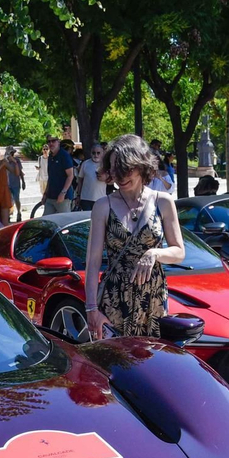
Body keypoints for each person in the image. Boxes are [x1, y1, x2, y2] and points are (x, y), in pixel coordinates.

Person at [81, 134, 186, 338]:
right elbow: (92, 263)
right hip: (114, 301)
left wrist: (154, 253)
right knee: (115, 364)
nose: (120, 177)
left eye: (126, 169)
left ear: (141, 166)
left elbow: (179, 252)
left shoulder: (163, 202)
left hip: (152, 301)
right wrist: (91, 309)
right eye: (114, 169)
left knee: (153, 364)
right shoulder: (103, 206)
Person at [39, 135, 75, 215]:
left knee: (64, 221)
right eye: (49, 141)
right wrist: (45, 193)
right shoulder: (50, 156)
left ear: (58, 141)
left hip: (63, 197)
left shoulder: (64, 155)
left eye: (53, 141)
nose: (51, 143)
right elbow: (51, 177)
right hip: (51, 196)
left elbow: (70, 175)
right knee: (46, 221)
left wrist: (63, 192)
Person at [76, 143, 106, 209]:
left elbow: (113, 180)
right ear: (90, 153)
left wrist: (106, 178)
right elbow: (80, 180)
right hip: (85, 198)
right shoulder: (85, 164)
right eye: (93, 153)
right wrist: (78, 195)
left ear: (102, 153)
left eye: (98, 153)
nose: (96, 155)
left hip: (100, 199)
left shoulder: (105, 165)